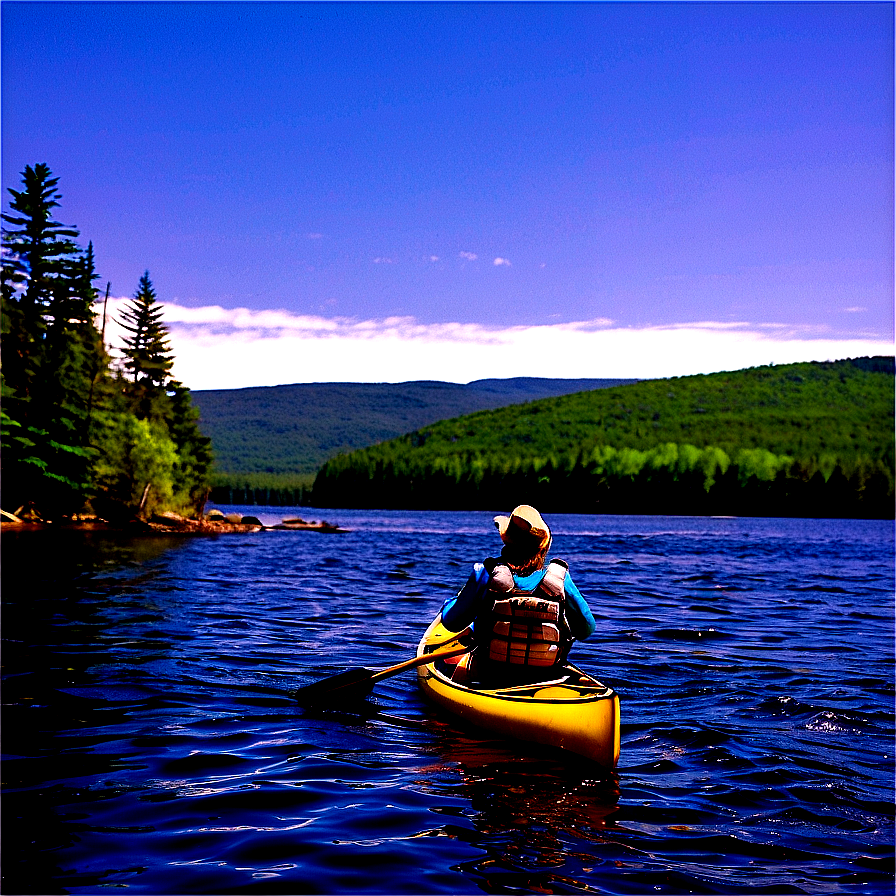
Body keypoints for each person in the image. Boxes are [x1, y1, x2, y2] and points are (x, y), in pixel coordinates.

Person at [439, 505, 596, 684]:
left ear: (507, 540)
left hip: (491, 673)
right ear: (542, 547)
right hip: (546, 676)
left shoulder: (485, 573)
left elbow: (451, 622)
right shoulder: (561, 580)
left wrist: (449, 604)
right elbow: (586, 630)